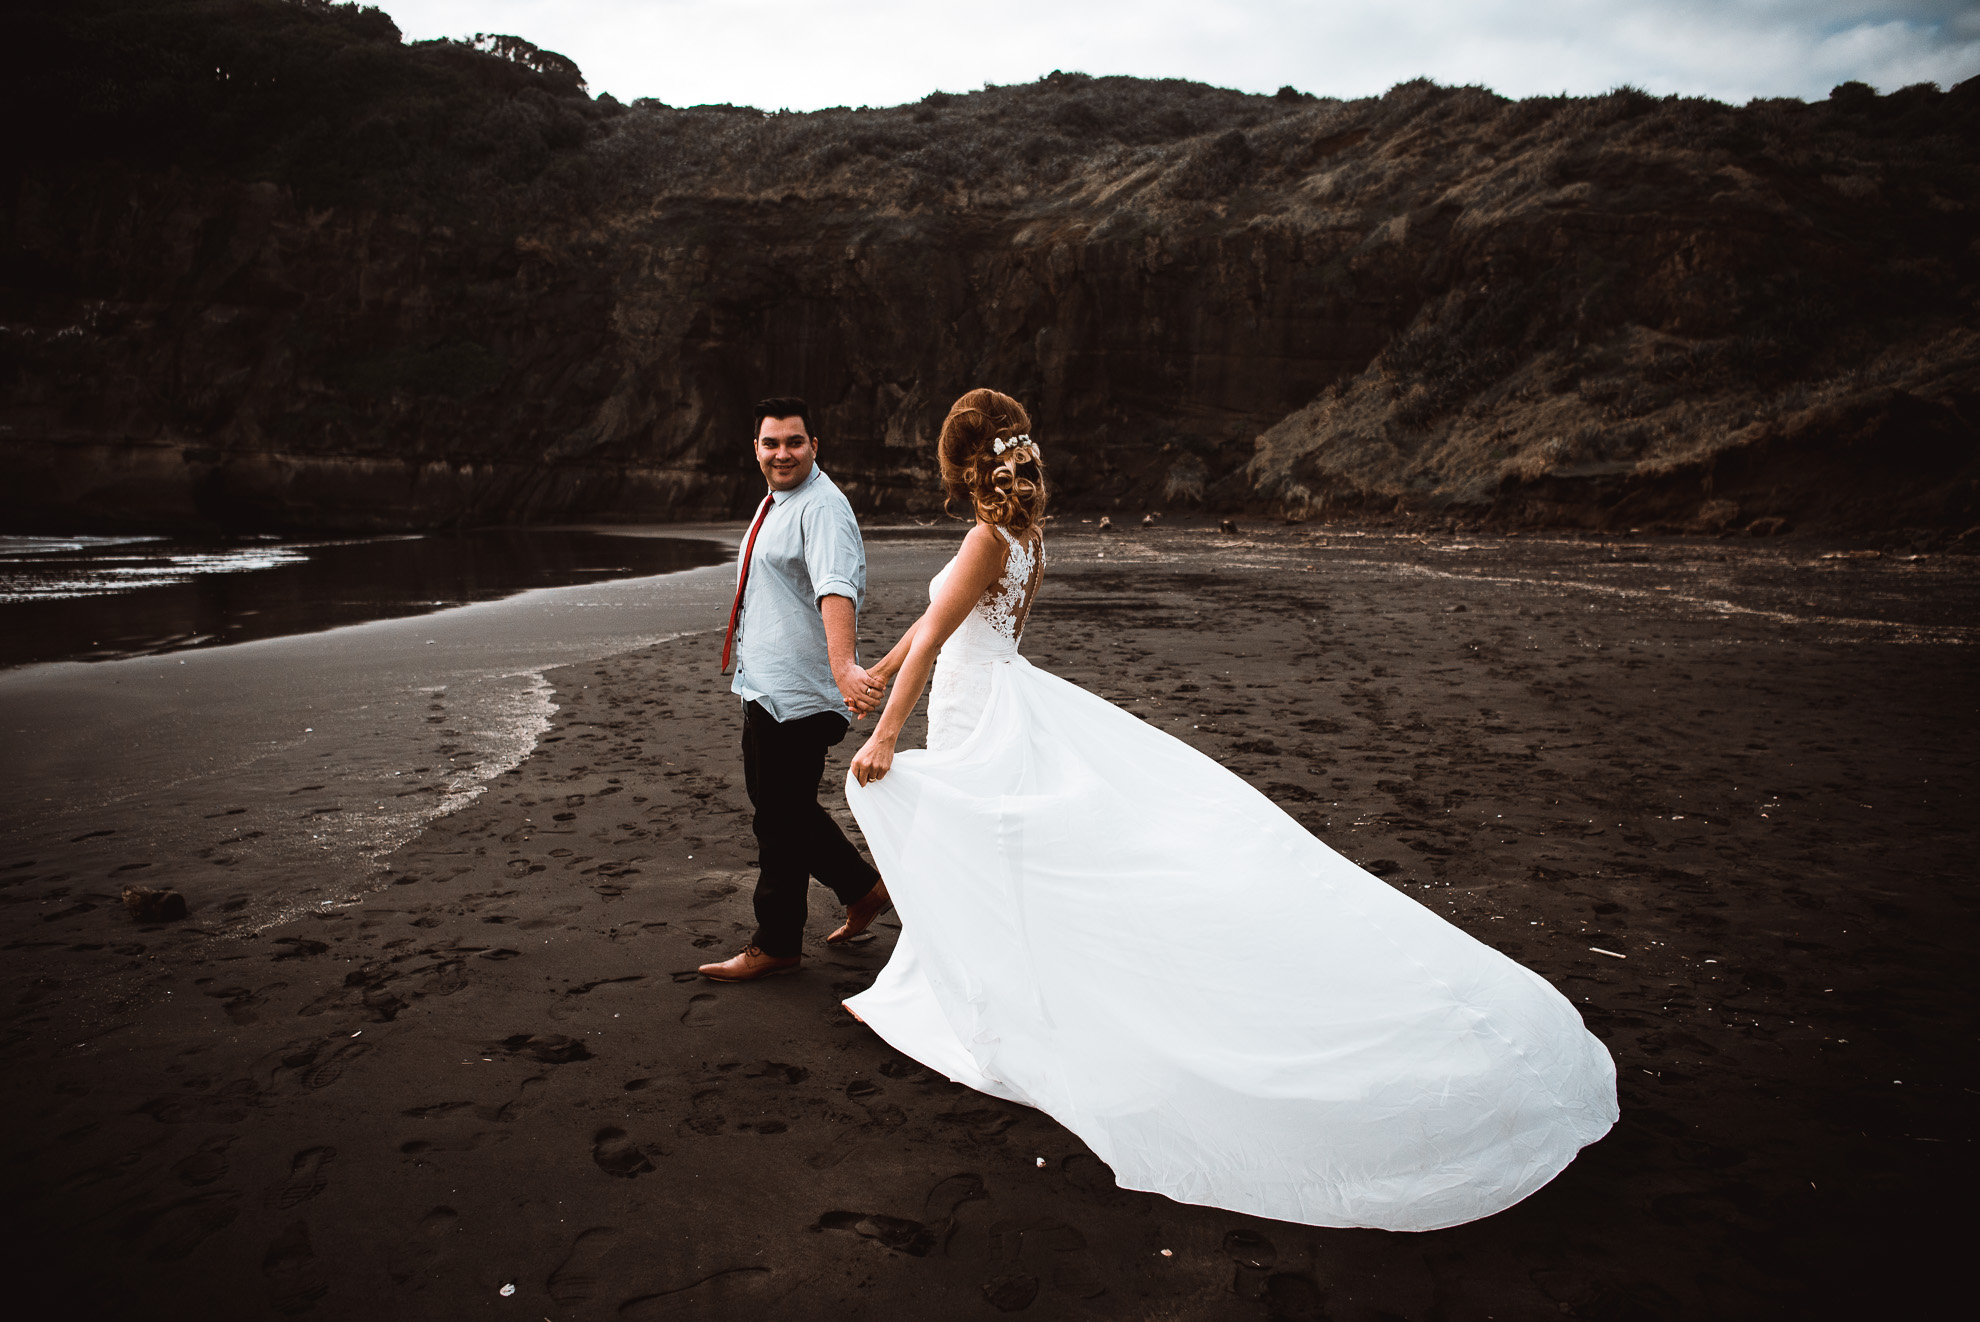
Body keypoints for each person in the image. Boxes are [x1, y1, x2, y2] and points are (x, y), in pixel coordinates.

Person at [841, 387, 1618, 1232]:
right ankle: (974, 982)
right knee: (1003, 854)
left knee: (992, 851)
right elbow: (936, 621)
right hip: (998, 694)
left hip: (976, 707)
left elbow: (943, 630)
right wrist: (879, 666)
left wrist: (887, 731)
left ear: (961, 465)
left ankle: (1001, 1009)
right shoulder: (1023, 535)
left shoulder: (985, 537)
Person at [698, 397, 894, 982]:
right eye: (770, 443)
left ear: (815, 446)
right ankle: (863, 889)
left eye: (794, 442)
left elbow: (837, 588)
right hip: (765, 686)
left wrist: (843, 670)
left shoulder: (823, 507)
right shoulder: (779, 499)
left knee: (778, 822)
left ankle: (777, 942)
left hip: (802, 694)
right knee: (779, 807)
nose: (782, 453)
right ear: (755, 448)